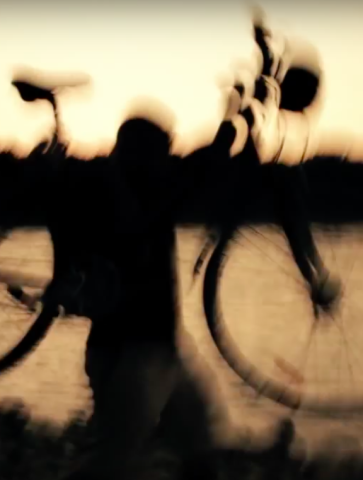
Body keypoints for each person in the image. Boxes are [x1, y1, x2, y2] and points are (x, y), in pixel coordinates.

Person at [50, 99, 295, 480]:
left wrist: (232, 124)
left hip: (165, 350)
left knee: (200, 446)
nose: (168, 156)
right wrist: (234, 123)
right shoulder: (138, 196)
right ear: (140, 154)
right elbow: (201, 167)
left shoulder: (137, 184)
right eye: (161, 149)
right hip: (132, 358)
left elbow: (203, 163)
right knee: (115, 464)